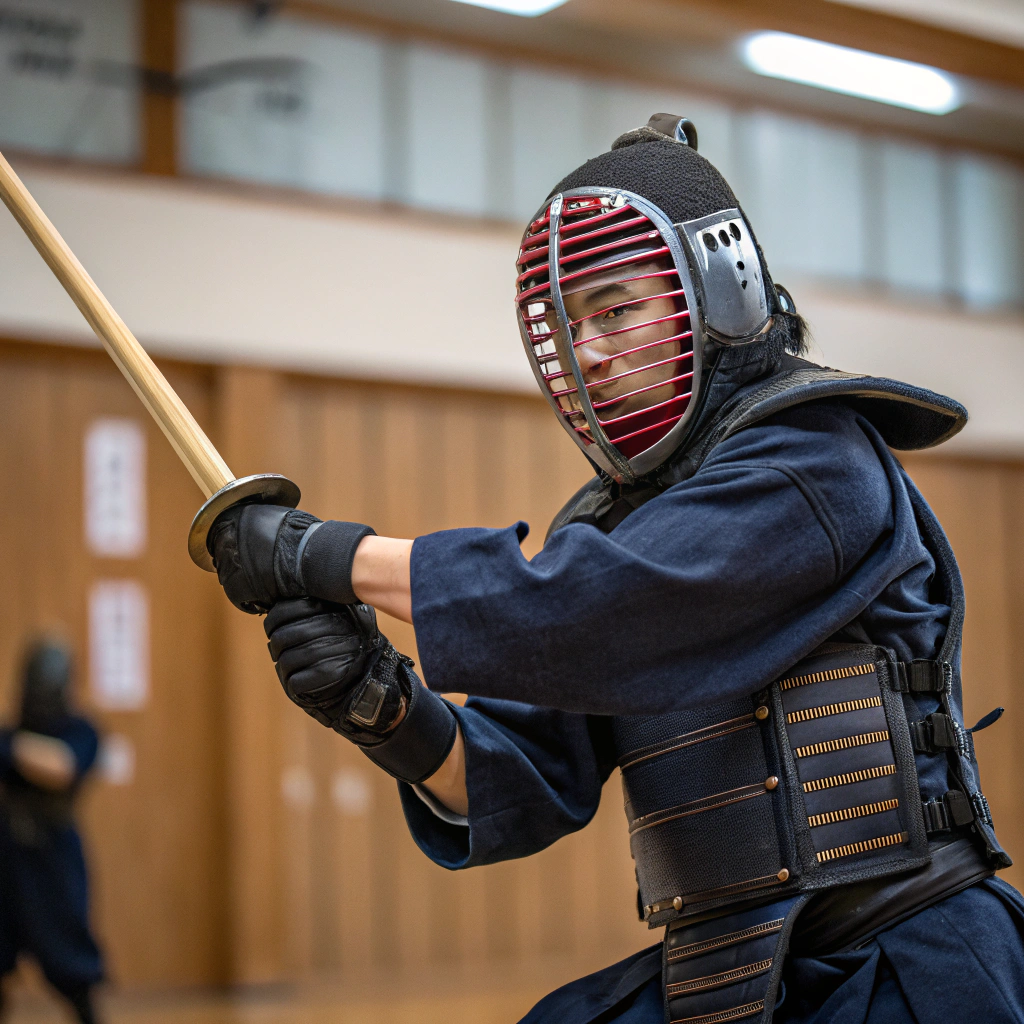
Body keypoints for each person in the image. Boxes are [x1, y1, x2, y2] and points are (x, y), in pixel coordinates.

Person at [207, 114, 1024, 1023]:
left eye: (617, 309)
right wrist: (380, 706)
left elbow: (591, 613)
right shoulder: (608, 529)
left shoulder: (812, 461)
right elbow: (515, 781)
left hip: (905, 958)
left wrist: (328, 555)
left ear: (723, 289)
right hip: (727, 971)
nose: (589, 351)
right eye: (567, 327)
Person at [0, 641, 103, 1024]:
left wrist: (12, 747)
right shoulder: (13, 732)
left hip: (54, 856)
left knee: (70, 958)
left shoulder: (80, 730)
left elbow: (61, 766)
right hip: (8, 851)